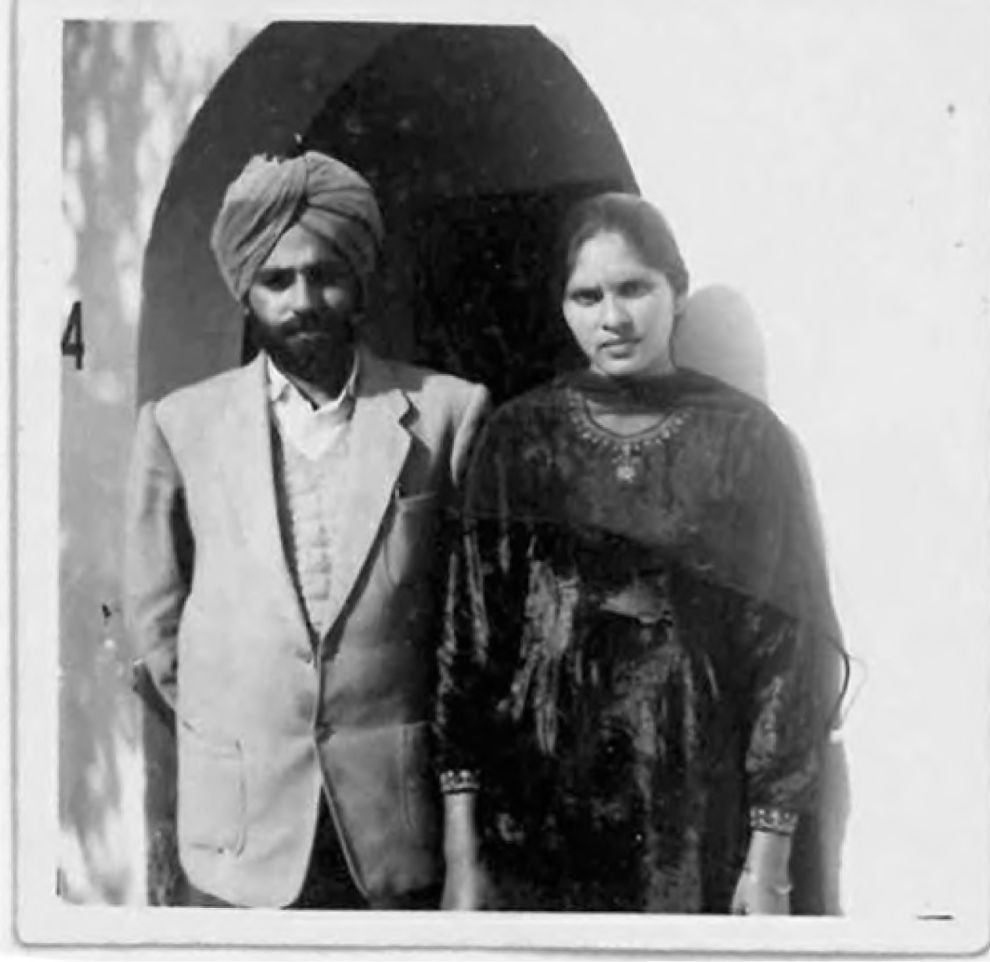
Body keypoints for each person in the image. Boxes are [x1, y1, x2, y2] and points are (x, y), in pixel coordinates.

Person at [436, 192, 848, 914]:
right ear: (563, 306)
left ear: (676, 293)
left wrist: (770, 859)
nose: (613, 318)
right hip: (540, 816)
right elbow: (467, 649)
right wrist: (462, 857)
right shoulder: (519, 439)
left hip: (692, 819)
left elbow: (783, 656)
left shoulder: (744, 441)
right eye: (587, 296)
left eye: (635, 289)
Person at [124, 150, 489, 909]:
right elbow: (156, 622)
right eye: (276, 280)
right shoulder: (179, 423)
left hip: (392, 826)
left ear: (359, 279)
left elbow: (471, 626)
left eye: (325, 273)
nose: (303, 299)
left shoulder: (449, 412)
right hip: (240, 829)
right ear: (245, 292)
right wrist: (238, 716)